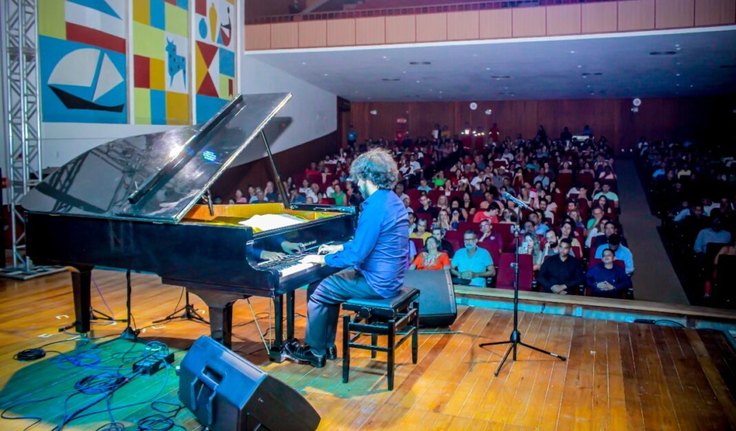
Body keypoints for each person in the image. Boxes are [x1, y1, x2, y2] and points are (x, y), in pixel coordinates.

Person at [284, 148, 408, 368]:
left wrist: (322, 260)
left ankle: (315, 351)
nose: (357, 184)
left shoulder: (375, 208)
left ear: (368, 177)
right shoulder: (392, 200)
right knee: (325, 285)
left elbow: (358, 254)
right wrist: (339, 247)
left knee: (319, 289)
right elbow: (369, 243)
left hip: (377, 282)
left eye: (359, 179)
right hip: (390, 277)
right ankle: (327, 346)